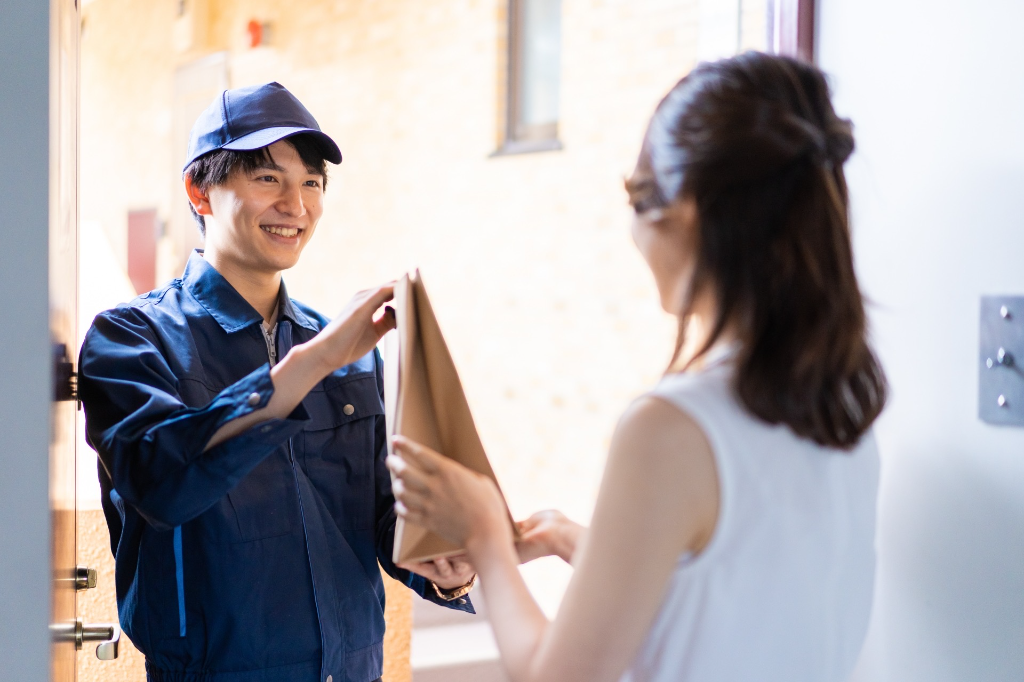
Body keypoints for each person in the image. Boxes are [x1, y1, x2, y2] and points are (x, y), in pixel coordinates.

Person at [387, 52, 888, 682]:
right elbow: (732, 595)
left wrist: (487, 536)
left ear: (682, 216)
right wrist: (575, 540)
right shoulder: (842, 408)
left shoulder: (672, 426)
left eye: (637, 197)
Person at [78, 82, 475, 682]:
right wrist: (309, 364)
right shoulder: (131, 338)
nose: (297, 204)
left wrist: (444, 566)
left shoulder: (345, 346)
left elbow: (379, 514)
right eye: (268, 179)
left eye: (311, 183)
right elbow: (161, 484)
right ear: (200, 191)